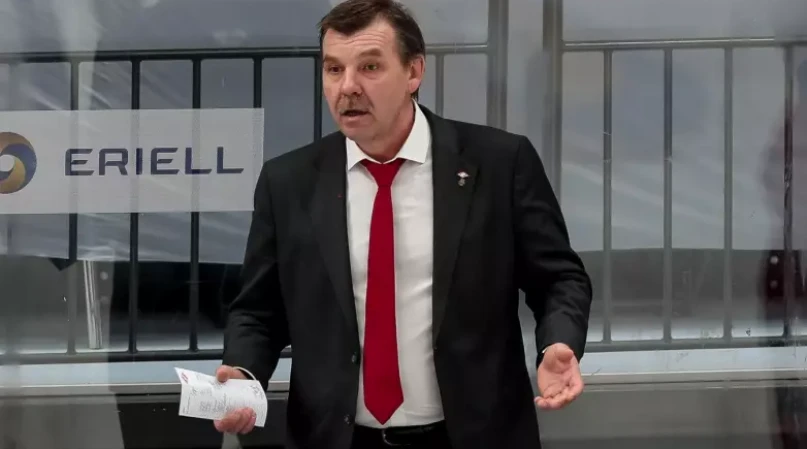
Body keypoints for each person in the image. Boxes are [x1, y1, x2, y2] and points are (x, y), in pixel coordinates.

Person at [213, 0, 592, 447]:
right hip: (337, 437)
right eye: (333, 69)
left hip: (472, 434)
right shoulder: (289, 182)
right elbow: (259, 308)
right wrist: (243, 371)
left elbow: (559, 278)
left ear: (414, 72)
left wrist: (557, 342)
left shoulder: (499, 163)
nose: (347, 87)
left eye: (369, 67)